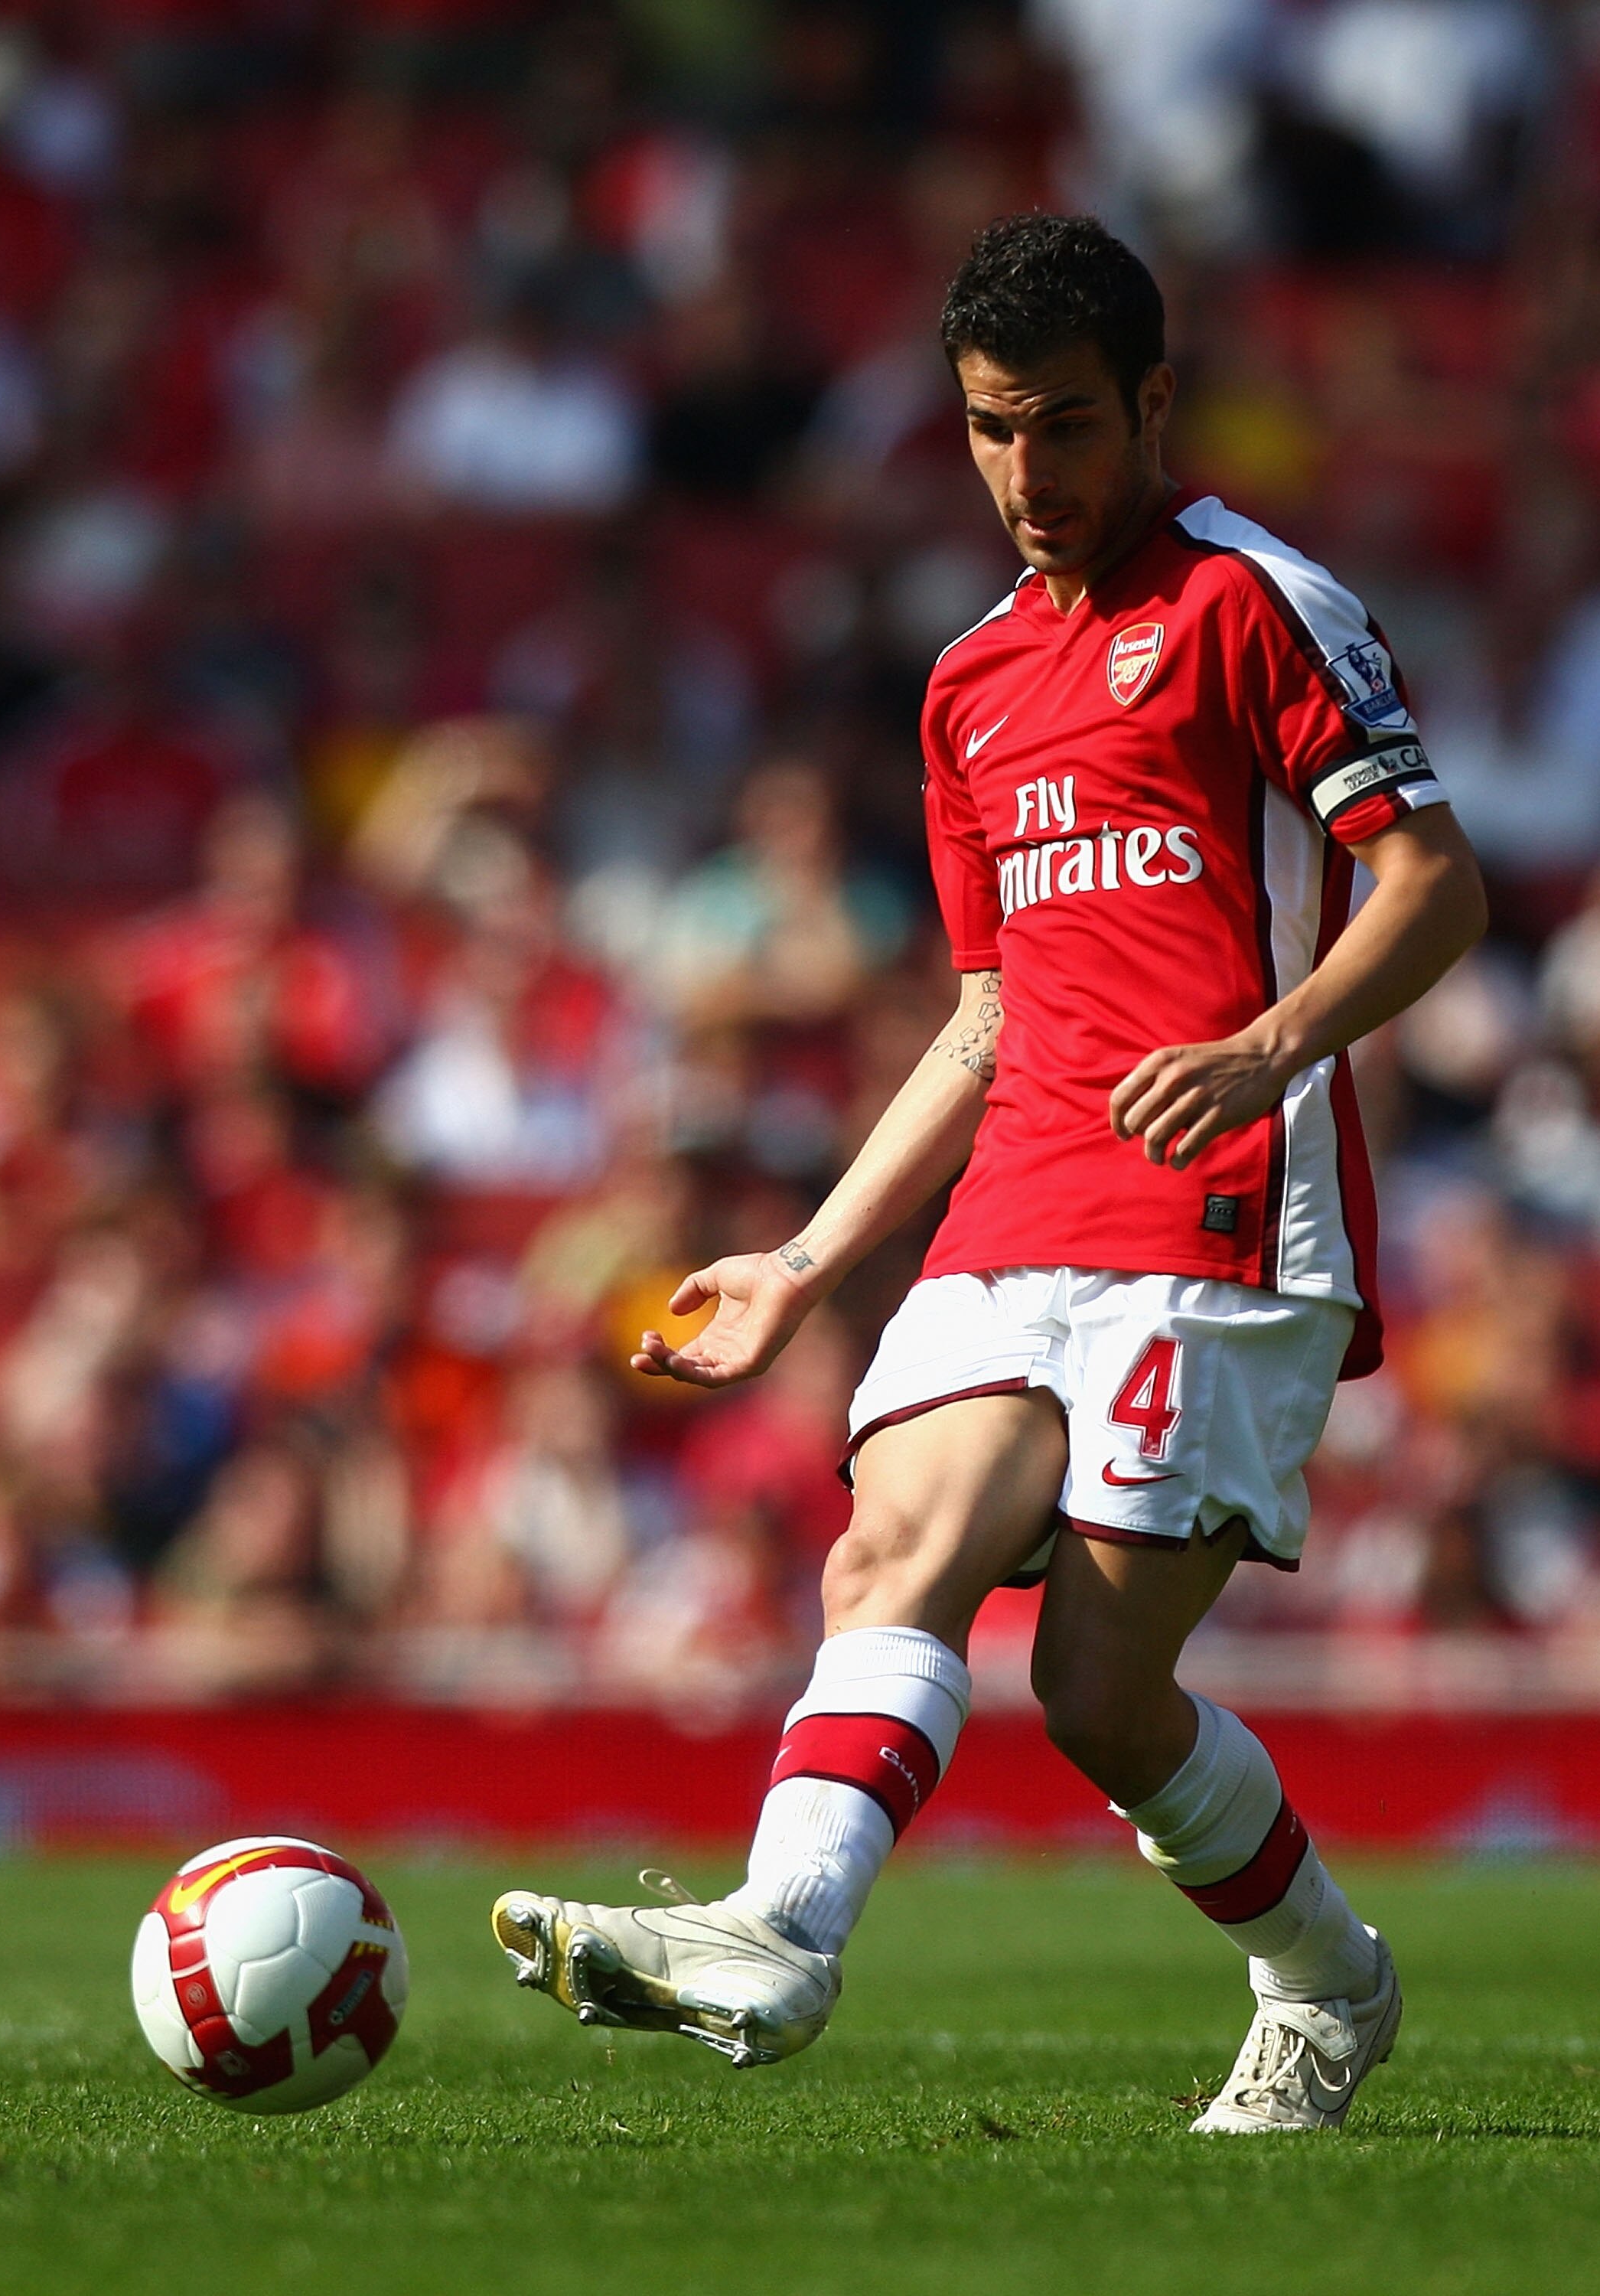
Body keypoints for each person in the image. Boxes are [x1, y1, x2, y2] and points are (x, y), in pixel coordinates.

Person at [490, 215, 1486, 2133]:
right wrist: (803, 1258)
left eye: (1067, 428)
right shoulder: (966, 685)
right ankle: (783, 1931)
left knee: (1102, 1697)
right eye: (990, 429)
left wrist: (1274, 1043)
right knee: (892, 1548)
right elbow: (986, 1016)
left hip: (1225, 1209)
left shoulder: (1258, 605)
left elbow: (1434, 887)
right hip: (1021, 1198)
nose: (1029, 476)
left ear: (1157, 406)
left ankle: (1330, 1983)